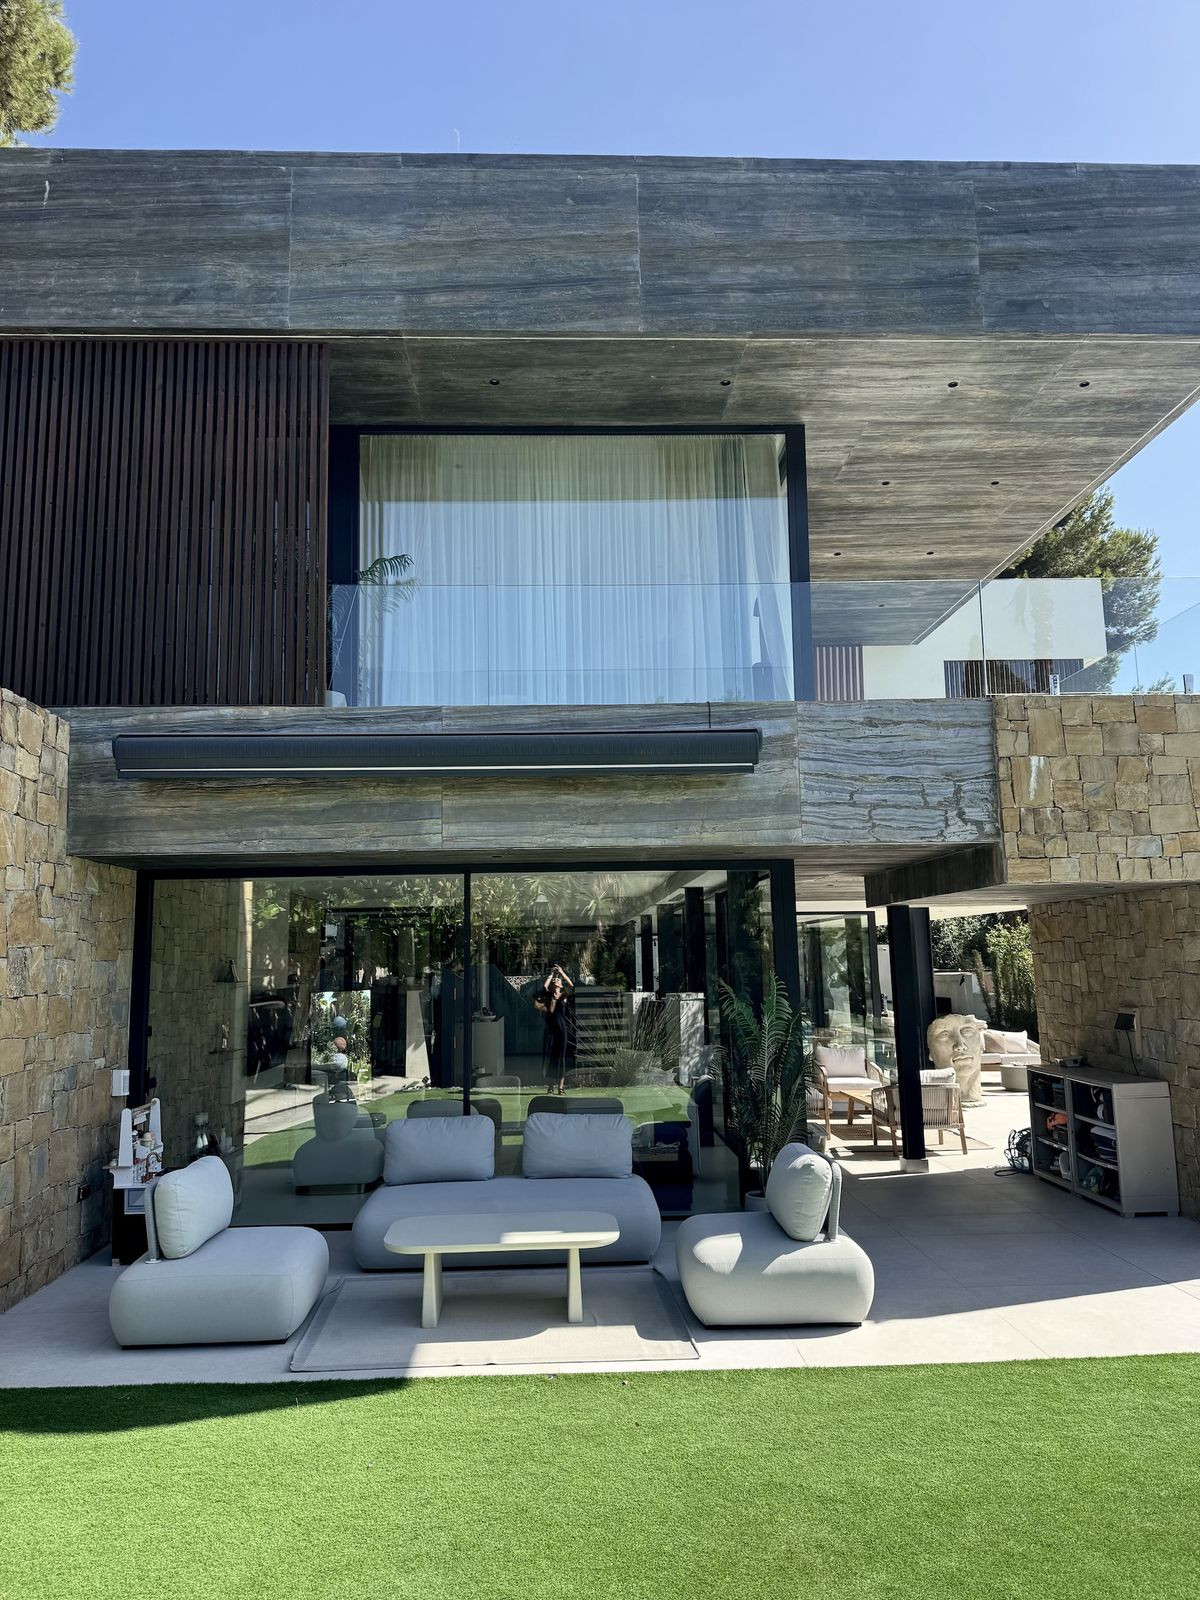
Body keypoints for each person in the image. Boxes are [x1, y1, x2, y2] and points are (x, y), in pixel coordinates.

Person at [534, 963, 574, 1093]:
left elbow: (571, 985)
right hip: (551, 1030)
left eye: (558, 980)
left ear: (561, 985)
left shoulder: (564, 995)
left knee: (561, 1057)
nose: (556, 980)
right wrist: (551, 974)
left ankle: (560, 1087)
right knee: (551, 1057)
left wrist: (561, 972)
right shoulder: (549, 995)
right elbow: (544, 986)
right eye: (555, 980)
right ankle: (551, 1086)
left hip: (562, 1030)